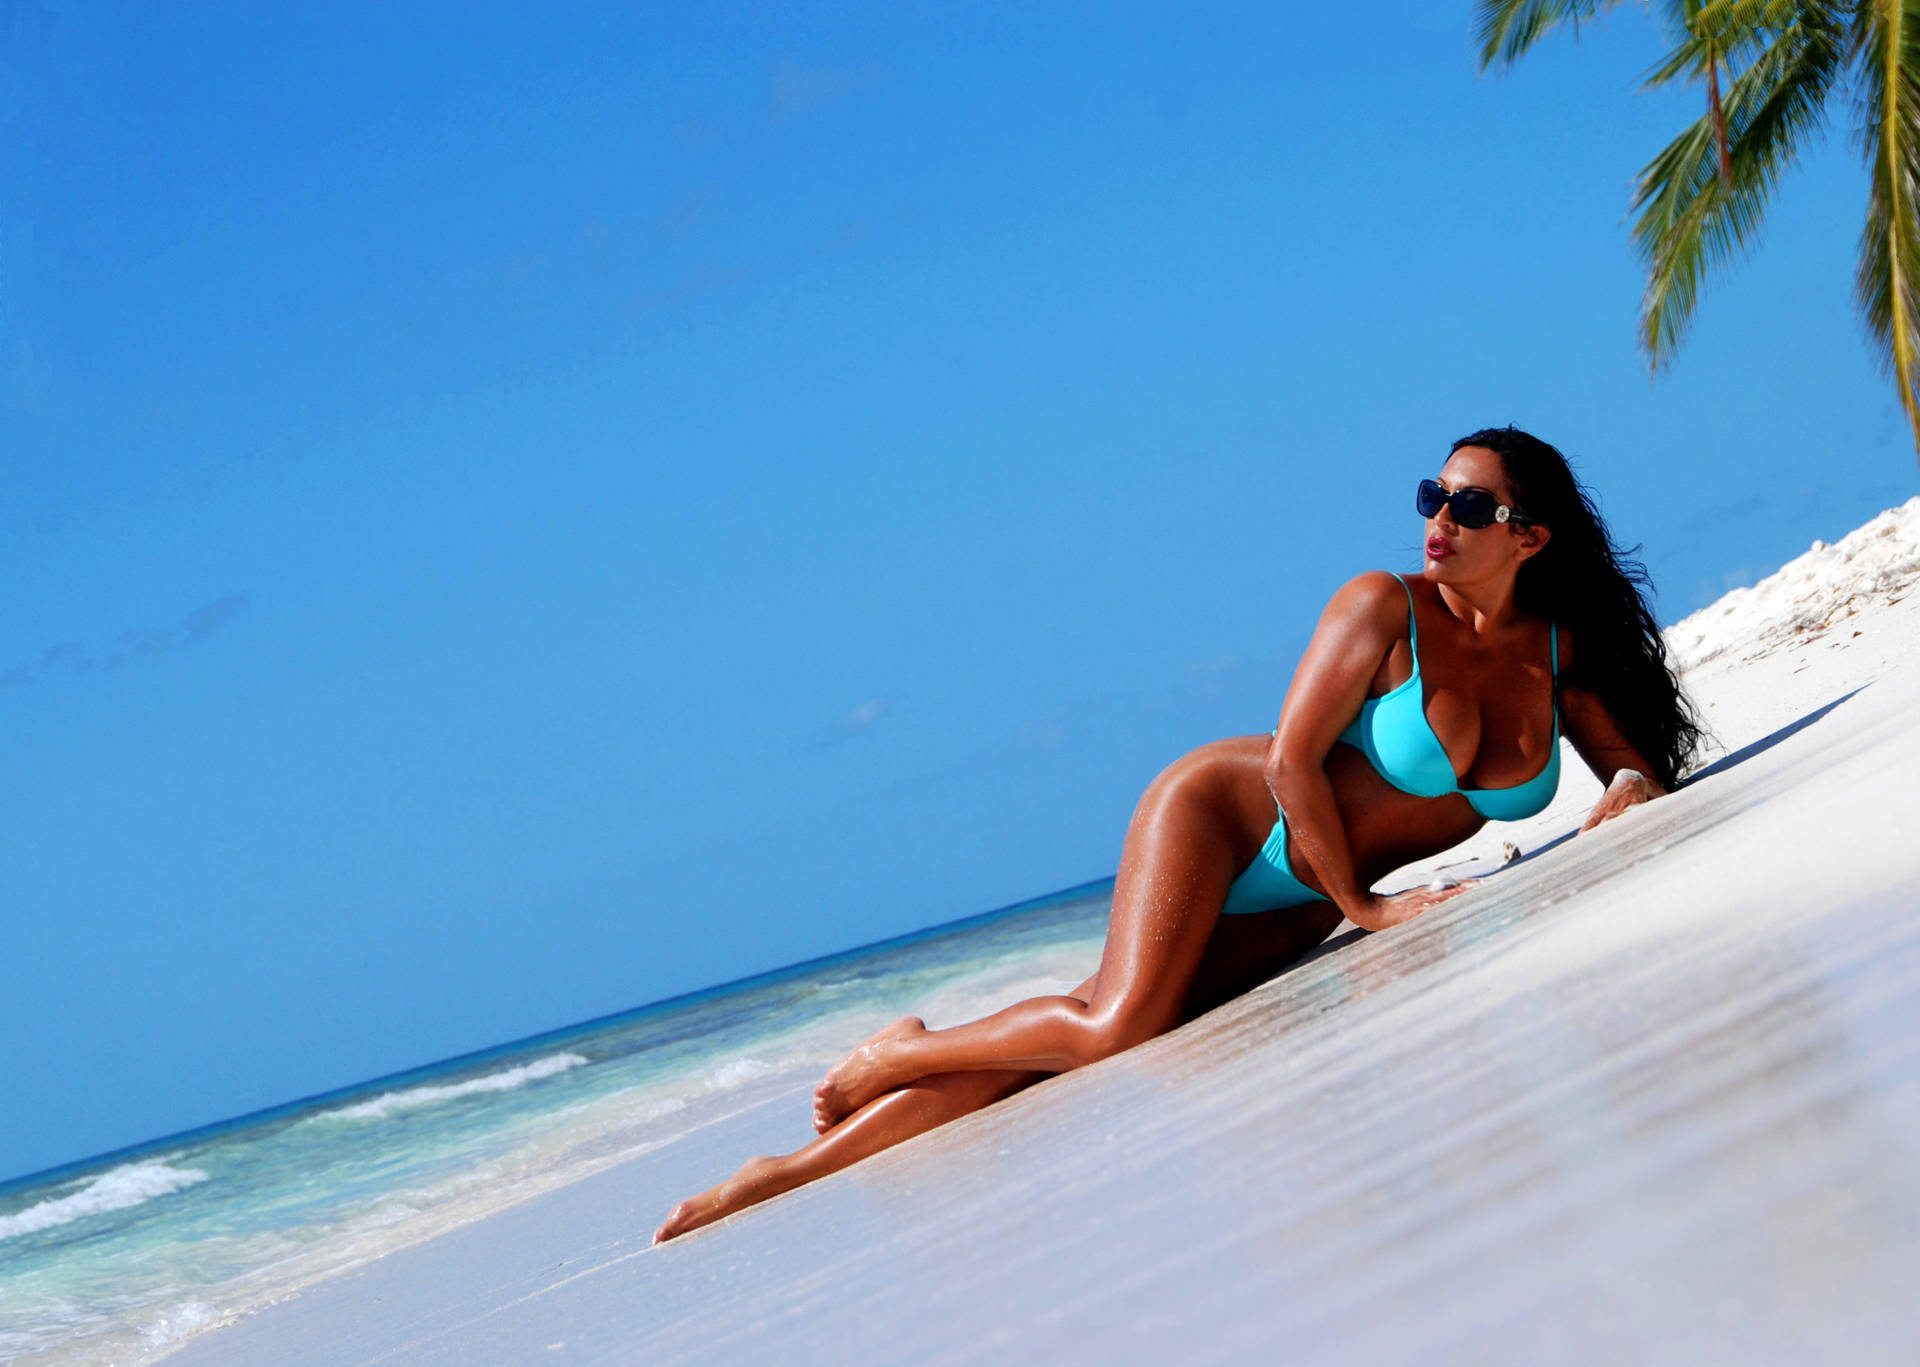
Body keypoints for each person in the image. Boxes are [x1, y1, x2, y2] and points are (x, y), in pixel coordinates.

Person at [653, 426, 1702, 1244]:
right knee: (1117, 1026)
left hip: (1301, 894)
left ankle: (787, 1171)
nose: (1439, 518)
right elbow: (1292, 760)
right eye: (1432, 494)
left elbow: (1626, 761)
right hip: (1229, 815)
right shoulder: (1384, 603)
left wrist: (1626, 785)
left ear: (1531, 536)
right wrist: (1366, 909)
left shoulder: (1554, 652)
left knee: (1080, 1030)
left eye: (1470, 505)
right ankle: (903, 1050)